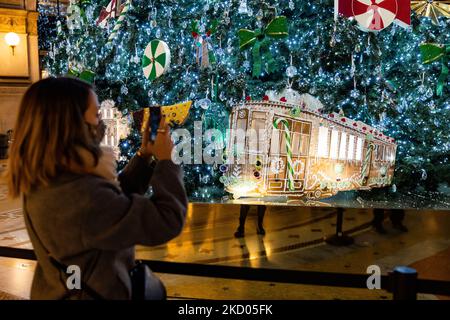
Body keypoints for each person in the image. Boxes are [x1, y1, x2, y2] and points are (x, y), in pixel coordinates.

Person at [4, 77, 188, 300]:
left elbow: (112, 206)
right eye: (96, 114)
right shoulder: (80, 196)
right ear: (71, 123)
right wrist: (167, 161)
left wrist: (144, 156)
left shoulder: (51, 177)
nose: (101, 122)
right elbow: (166, 220)